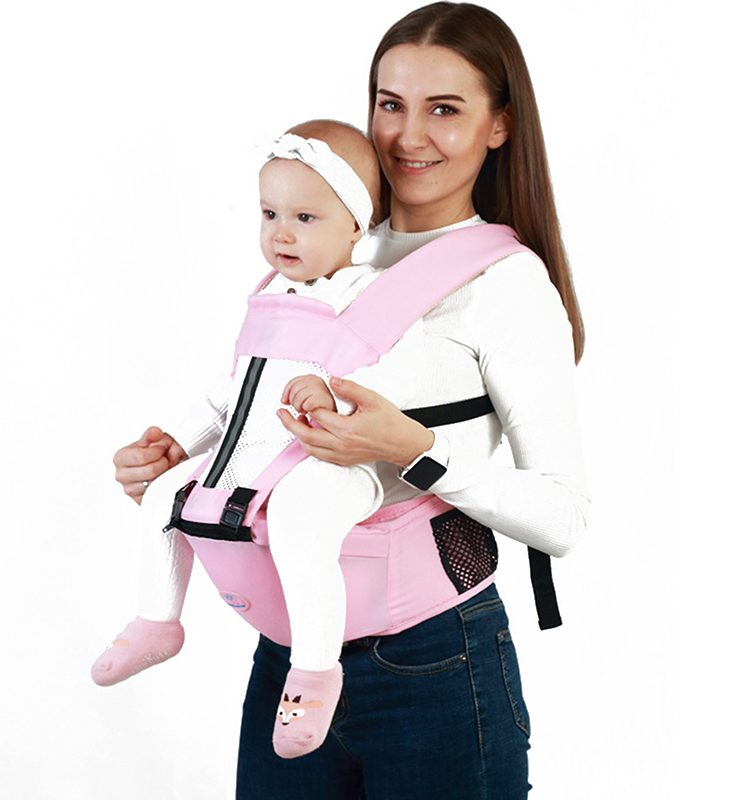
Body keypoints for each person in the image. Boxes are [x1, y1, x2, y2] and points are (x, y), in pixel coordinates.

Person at [112, 3, 589, 797]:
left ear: (500, 125)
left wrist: (412, 449)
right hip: (291, 659)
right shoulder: (315, 241)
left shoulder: (506, 285)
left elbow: (564, 517)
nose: (407, 135)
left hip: (435, 664)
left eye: (445, 109)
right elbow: (258, 413)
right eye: (390, 103)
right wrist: (184, 461)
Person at [94, 119, 426, 759]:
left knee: (300, 517)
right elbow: (233, 388)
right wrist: (180, 439)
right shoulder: (268, 295)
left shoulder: (370, 293)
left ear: (356, 225)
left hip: (338, 454)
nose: (281, 233)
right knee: (165, 494)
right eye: (270, 213)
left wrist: (334, 396)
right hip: (258, 444)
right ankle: (156, 620)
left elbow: (403, 379)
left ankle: (314, 672)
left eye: (305, 217)